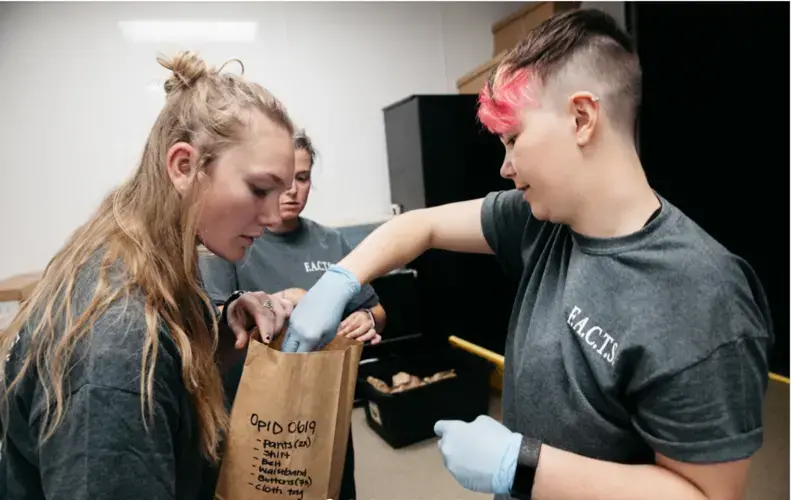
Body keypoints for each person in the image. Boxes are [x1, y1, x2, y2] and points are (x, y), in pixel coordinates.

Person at [280, 9, 774, 500]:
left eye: (513, 140)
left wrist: (523, 465)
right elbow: (420, 225)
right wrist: (341, 280)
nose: (506, 167)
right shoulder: (540, 222)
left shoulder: (702, 294)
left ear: (582, 118)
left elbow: (706, 495)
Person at [0, 51, 299, 499]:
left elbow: (169, 373)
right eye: (259, 189)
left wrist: (221, 326)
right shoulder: (117, 342)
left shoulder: (133, 253)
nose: (275, 216)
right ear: (183, 166)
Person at [199, 129, 387, 500]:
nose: (291, 191)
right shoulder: (235, 239)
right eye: (281, 181)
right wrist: (282, 301)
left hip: (322, 405)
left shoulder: (330, 241)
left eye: (301, 179)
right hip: (254, 410)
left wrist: (366, 320)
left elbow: (376, 310)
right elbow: (213, 324)